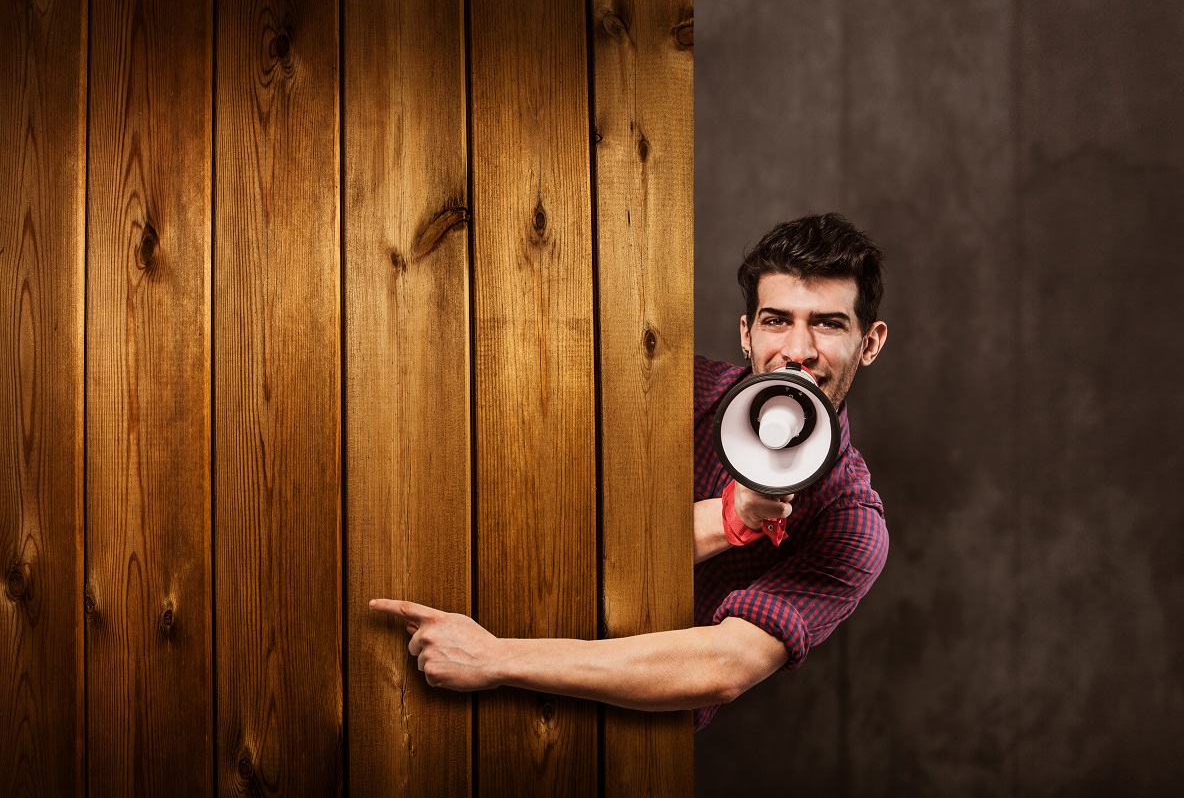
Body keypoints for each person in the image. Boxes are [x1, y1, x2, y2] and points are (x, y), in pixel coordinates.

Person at [370, 212, 890, 730]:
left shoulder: (851, 524)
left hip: (631, 740)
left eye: (827, 323)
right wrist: (728, 518)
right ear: (747, 334)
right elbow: (557, 542)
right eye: (776, 320)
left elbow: (724, 665)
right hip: (466, 681)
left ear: (869, 343)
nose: (797, 352)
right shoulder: (667, 394)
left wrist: (494, 659)